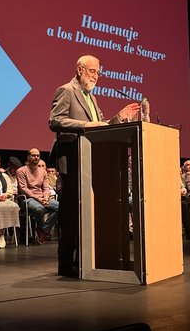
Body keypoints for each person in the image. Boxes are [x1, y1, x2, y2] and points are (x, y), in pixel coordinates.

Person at [48, 54, 140, 277]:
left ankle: (84, 261)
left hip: (91, 159)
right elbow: (55, 121)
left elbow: (101, 127)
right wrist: (87, 124)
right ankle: (66, 264)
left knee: (87, 213)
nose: (96, 77)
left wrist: (118, 118)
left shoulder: (92, 97)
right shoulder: (66, 90)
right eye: (92, 72)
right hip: (72, 157)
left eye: (98, 72)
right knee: (70, 214)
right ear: (79, 69)